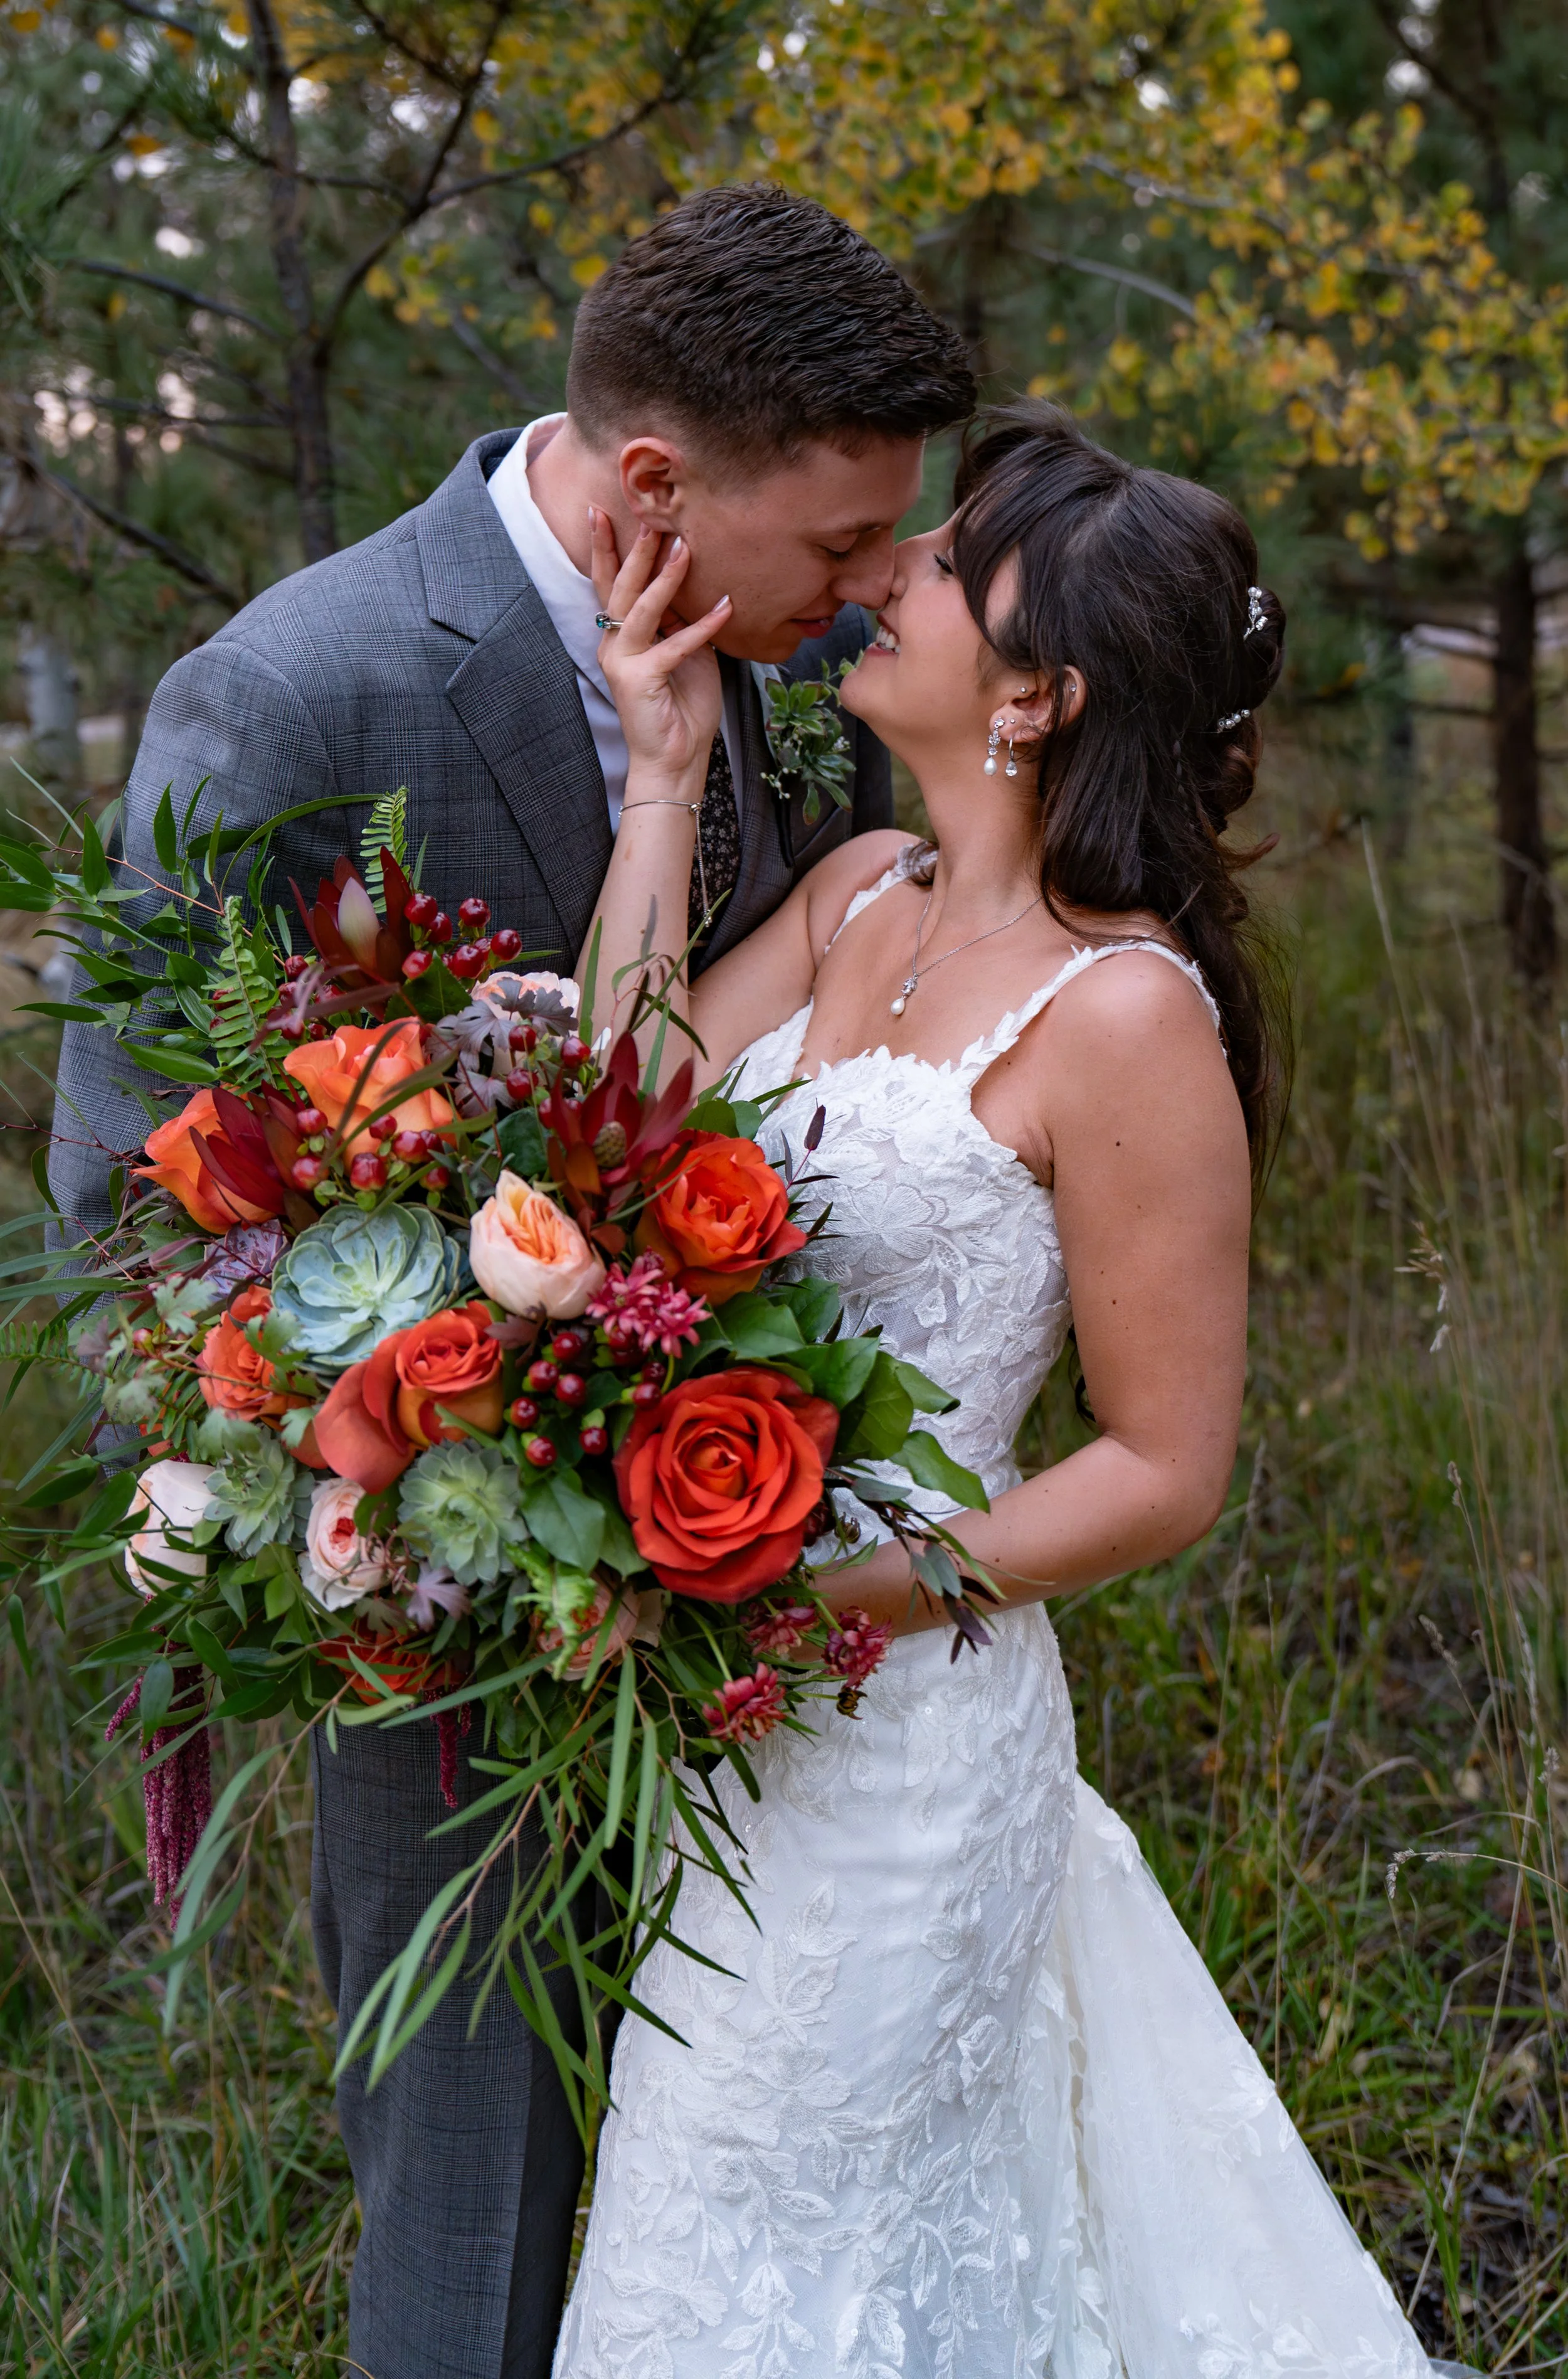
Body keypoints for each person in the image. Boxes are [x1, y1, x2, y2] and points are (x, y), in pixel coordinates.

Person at [46, 186, 975, 2379]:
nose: (865, 605)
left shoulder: (765, 676)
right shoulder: (292, 687)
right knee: (479, 2189)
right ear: (656, 481)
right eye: (839, 550)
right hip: (440, 1614)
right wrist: (361, 1496)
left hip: (755, 1612)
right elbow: (120, 1198)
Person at [552, 404, 1438, 2378]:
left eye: (944, 569)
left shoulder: (1117, 1014)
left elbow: (1160, 1465)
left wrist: (801, 1596)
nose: (884, 577)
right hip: (724, 1729)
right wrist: (658, 780)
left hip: (896, 1742)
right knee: (701, 2220)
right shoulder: (861, 883)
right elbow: (605, 1133)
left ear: (1036, 693)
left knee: (816, 2243)